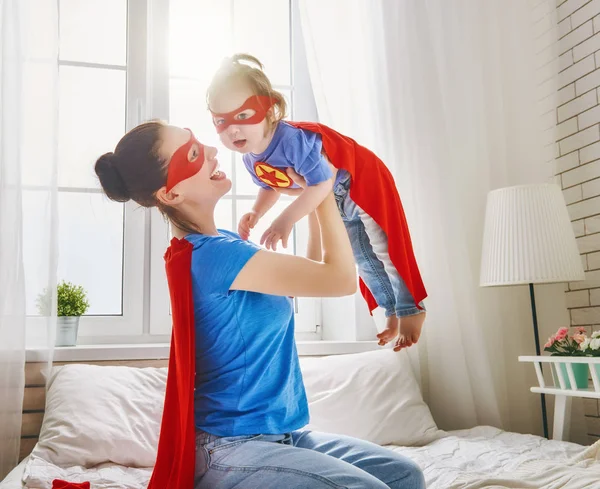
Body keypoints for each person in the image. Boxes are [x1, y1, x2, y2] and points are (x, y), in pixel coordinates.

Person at [94, 121, 426, 489]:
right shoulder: (215, 256)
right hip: (230, 448)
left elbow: (308, 280)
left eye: (199, 143)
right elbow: (341, 280)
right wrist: (322, 185)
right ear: (170, 195)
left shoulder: (221, 243)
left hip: (283, 436)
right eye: (192, 155)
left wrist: (313, 196)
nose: (212, 152)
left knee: (406, 476)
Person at [207, 54, 427, 353]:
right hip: (334, 198)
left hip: (358, 181)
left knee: (384, 246)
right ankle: (390, 310)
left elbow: (321, 181)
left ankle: (410, 308)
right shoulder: (250, 159)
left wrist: (286, 220)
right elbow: (271, 187)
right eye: (222, 121)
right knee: (362, 258)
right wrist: (256, 212)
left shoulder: (291, 139)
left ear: (269, 109)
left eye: (243, 116)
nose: (232, 129)